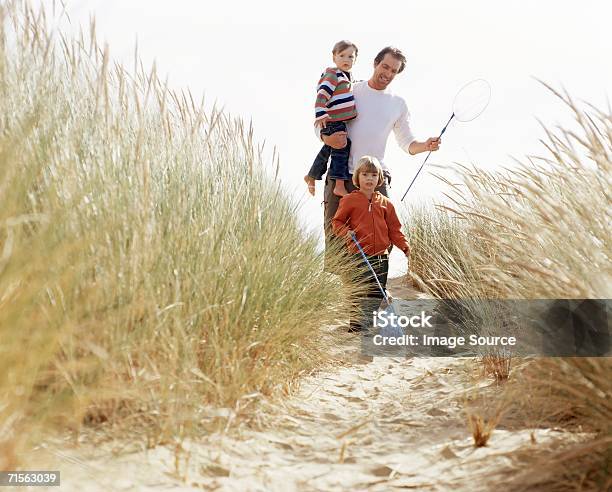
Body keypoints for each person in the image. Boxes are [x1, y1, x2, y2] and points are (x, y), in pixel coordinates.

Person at [319, 46, 441, 269]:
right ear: (375, 63)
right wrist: (326, 139)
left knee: (382, 232)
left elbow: (407, 143)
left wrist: (426, 146)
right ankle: (348, 294)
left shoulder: (397, 104)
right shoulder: (350, 90)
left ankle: (375, 288)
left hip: (376, 177)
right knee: (336, 237)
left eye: (393, 70)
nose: (387, 73)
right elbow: (322, 122)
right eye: (385, 66)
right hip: (341, 174)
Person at [332, 156, 410, 332]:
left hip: (381, 256)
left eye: (374, 175)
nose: (369, 178)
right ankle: (356, 326)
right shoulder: (349, 200)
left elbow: (394, 229)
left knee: (376, 291)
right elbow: (337, 222)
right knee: (360, 290)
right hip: (358, 254)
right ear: (357, 177)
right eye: (365, 174)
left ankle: (368, 324)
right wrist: (346, 232)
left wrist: (404, 246)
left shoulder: (385, 204)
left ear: (379, 178)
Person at [304, 40, 358, 198]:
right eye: (342, 55)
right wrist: (320, 112)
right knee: (341, 149)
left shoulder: (347, 77)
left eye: (350, 56)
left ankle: (312, 175)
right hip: (332, 120)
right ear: (334, 57)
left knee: (329, 149)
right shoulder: (333, 73)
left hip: (338, 121)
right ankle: (339, 185)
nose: (346, 59)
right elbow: (322, 93)